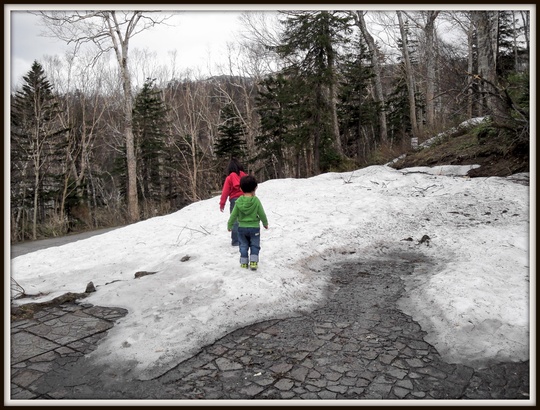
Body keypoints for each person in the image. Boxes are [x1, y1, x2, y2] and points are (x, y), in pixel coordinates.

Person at [227, 175, 268, 271]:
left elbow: (233, 215)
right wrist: (265, 223)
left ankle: (244, 262)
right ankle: (253, 262)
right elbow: (262, 213)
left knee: (243, 245)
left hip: (242, 228)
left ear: (241, 188)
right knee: (255, 245)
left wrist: (230, 225)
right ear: (255, 187)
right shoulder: (256, 201)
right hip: (254, 228)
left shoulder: (238, 202)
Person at [219, 158, 247, 246]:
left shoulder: (229, 178)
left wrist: (222, 203)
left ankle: (236, 241)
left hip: (235, 200)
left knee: (235, 220)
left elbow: (225, 192)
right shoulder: (245, 176)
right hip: (246, 199)